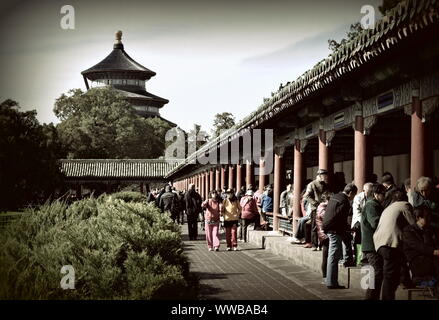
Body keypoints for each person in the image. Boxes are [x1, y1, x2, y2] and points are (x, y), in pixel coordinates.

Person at [373, 191, 415, 300]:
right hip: (390, 243)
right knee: (390, 275)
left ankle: (406, 281)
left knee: (400, 262)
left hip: (380, 242)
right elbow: (413, 224)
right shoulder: (405, 205)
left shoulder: (389, 207)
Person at [322, 183, 357, 289]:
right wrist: (347, 229)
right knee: (334, 255)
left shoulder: (335, 196)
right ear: (350, 193)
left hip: (328, 227)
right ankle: (331, 282)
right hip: (334, 230)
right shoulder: (345, 201)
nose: (353, 198)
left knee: (331, 255)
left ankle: (329, 280)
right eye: (353, 195)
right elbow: (340, 218)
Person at [402, 205, 439, 293]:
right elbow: (419, 246)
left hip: (429, 259)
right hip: (417, 262)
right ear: (418, 218)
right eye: (427, 217)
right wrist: (434, 251)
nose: (430, 219)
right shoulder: (408, 230)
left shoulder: (429, 230)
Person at [361, 183, 386, 300]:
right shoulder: (371, 205)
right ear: (376, 194)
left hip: (373, 244)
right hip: (371, 244)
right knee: (376, 273)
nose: (384, 196)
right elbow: (375, 223)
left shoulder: (374, 204)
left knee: (376, 273)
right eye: (382, 194)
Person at [304, 169, 329, 249]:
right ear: (319, 176)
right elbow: (307, 196)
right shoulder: (312, 184)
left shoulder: (326, 185)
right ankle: (314, 244)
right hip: (315, 208)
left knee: (324, 226)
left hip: (325, 207)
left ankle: (323, 244)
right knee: (314, 226)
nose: (325, 177)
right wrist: (316, 203)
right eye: (324, 175)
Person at [352, 182, 373, 265]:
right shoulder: (358, 197)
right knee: (358, 240)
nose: (369, 193)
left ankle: (366, 258)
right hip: (359, 221)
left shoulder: (372, 196)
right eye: (367, 191)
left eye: (371, 191)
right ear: (364, 190)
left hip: (368, 222)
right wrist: (364, 222)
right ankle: (359, 258)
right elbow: (357, 212)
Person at [315, 192, 332, 284]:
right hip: (324, 235)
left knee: (326, 256)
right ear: (326, 200)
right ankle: (325, 276)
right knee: (326, 256)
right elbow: (326, 219)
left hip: (322, 234)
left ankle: (326, 276)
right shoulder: (323, 208)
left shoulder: (321, 207)